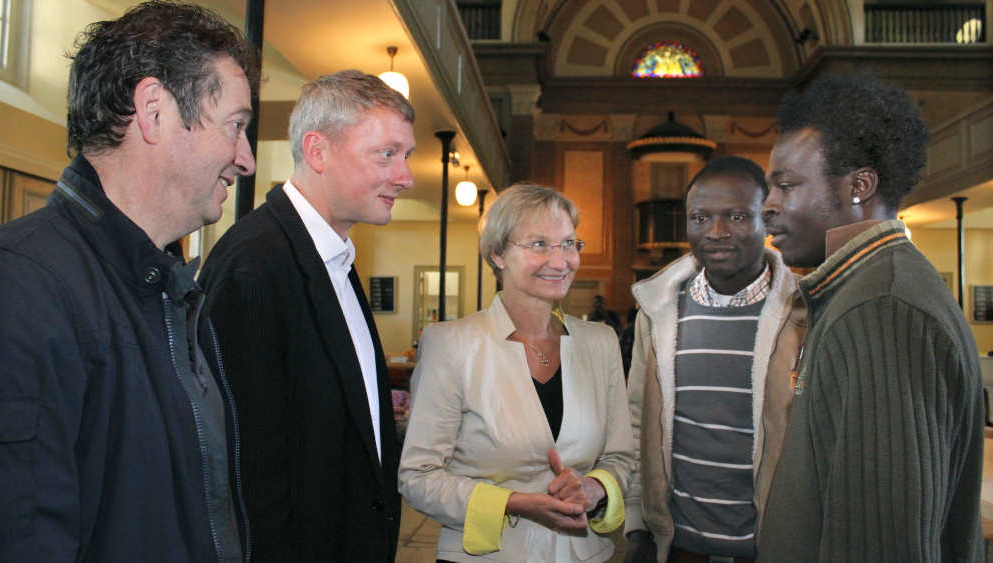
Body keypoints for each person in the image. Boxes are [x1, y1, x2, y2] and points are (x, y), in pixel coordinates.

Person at [0, 2, 258, 560]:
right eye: (236, 126)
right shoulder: (21, 284)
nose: (247, 158)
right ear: (154, 111)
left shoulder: (166, 285)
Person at [757, 74, 984, 561]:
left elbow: (883, 543)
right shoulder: (858, 289)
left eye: (787, 186)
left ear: (859, 185)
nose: (768, 207)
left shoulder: (881, 309)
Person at [199, 70, 414, 562]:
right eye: (386, 153)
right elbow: (246, 476)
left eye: (407, 156)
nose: (405, 176)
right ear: (318, 151)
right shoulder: (254, 266)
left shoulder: (330, 254)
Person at [399, 184, 634, 562]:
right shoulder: (451, 345)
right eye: (539, 244)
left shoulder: (600, 343)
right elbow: (419, 476)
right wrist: (513, 503)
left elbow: (621, 459)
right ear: (498, 254)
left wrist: (595, 488)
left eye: (570, 243)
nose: (561, 261)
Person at [623, 156, 805, 563]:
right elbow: (638, 421)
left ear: (768, 220)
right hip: (679, 546)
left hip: (769, 546)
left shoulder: (804, 315)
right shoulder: (656, 312)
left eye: (738, 216)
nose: (717, 233)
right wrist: (638, 524)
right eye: (700, 218)